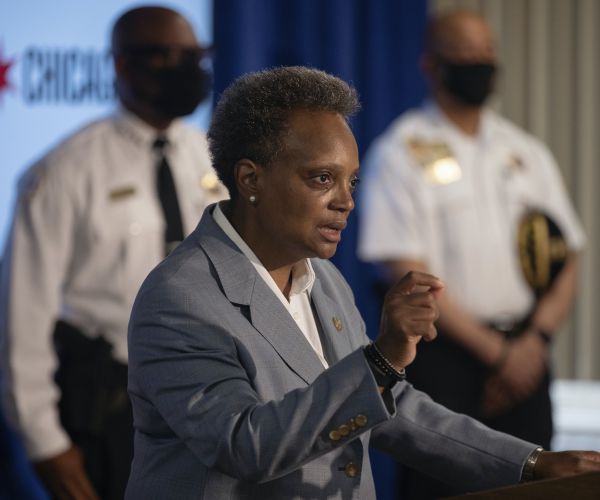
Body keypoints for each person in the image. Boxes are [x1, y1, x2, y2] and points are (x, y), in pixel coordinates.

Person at [125, 66, 600, 500]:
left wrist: (530, 464)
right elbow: (245, 444)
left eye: (351, 182)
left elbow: (391, 406)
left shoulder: (324, 279)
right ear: (251, 179)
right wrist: (381, 359)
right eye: (322, 179)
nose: (346, 202)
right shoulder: (180, 298)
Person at [357, 10, 586, 499]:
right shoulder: (400, 151)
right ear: (431, 64)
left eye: (487, 54)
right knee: (441, 487)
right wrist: (498, 354)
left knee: (538, 482)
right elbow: (403, 270)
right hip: (443, 356)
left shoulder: (525, 151)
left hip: (527, 348)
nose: (480, 64)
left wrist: (533, 342)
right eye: (466, 55)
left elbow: (566, 257)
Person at [0, 6, 226, 500]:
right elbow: (24, 317)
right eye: (170, 56)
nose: (189, 68)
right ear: (124, 65)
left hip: (213, 398)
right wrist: (45, 443)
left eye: (196, 55)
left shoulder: (213, 158)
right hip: (116, 410)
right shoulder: (65, 171)